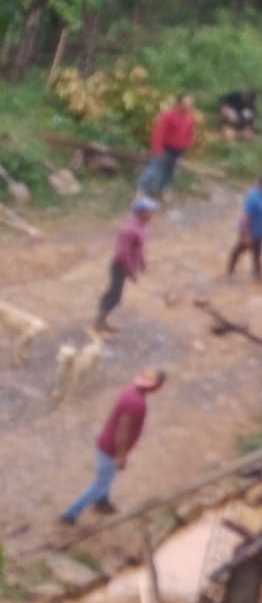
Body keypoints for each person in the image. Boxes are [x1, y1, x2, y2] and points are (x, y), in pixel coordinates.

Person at [59, 367, 166, 526]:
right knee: (100, 484)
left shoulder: (130, 391)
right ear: (156, 386)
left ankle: (102, 502)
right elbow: (123, 431)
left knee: (105, 478)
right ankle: (70, 513)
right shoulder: (137, 404)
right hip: (111, 449)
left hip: (106, 442)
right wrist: (121, 456)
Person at [95, 196, 158, 332]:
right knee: (115, 295)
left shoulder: (143, 225)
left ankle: (101, 319)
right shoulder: (129, 230)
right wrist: (130, 272)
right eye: (150, 211)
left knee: (115, 293)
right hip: (120, 266)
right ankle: (100, 320)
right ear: (141, 213)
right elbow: (123, 254)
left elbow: (139, 247)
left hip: (127, 264)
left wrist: (142, 262)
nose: (153, 213)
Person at [137, 92, 198, 198]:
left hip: (178, 149)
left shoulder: (189, 118)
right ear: (179, 103)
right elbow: (159, 132)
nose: (189, 106)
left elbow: (190, 133)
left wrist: (186, 144)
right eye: (186, 103)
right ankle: (141, 189)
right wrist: (157, 148)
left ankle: (163, 189)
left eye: (190, 103)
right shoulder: (168, 115)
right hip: (165, 147)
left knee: (170, 170)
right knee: (154, 168)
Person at [227, 175, 262, 283]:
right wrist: (246, 234)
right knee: (240, 249)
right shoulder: (254, 198)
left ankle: (257, 274)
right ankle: (230, 272)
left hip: (260, 231)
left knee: (257, 253)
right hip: (250, 231)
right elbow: (246, 217)